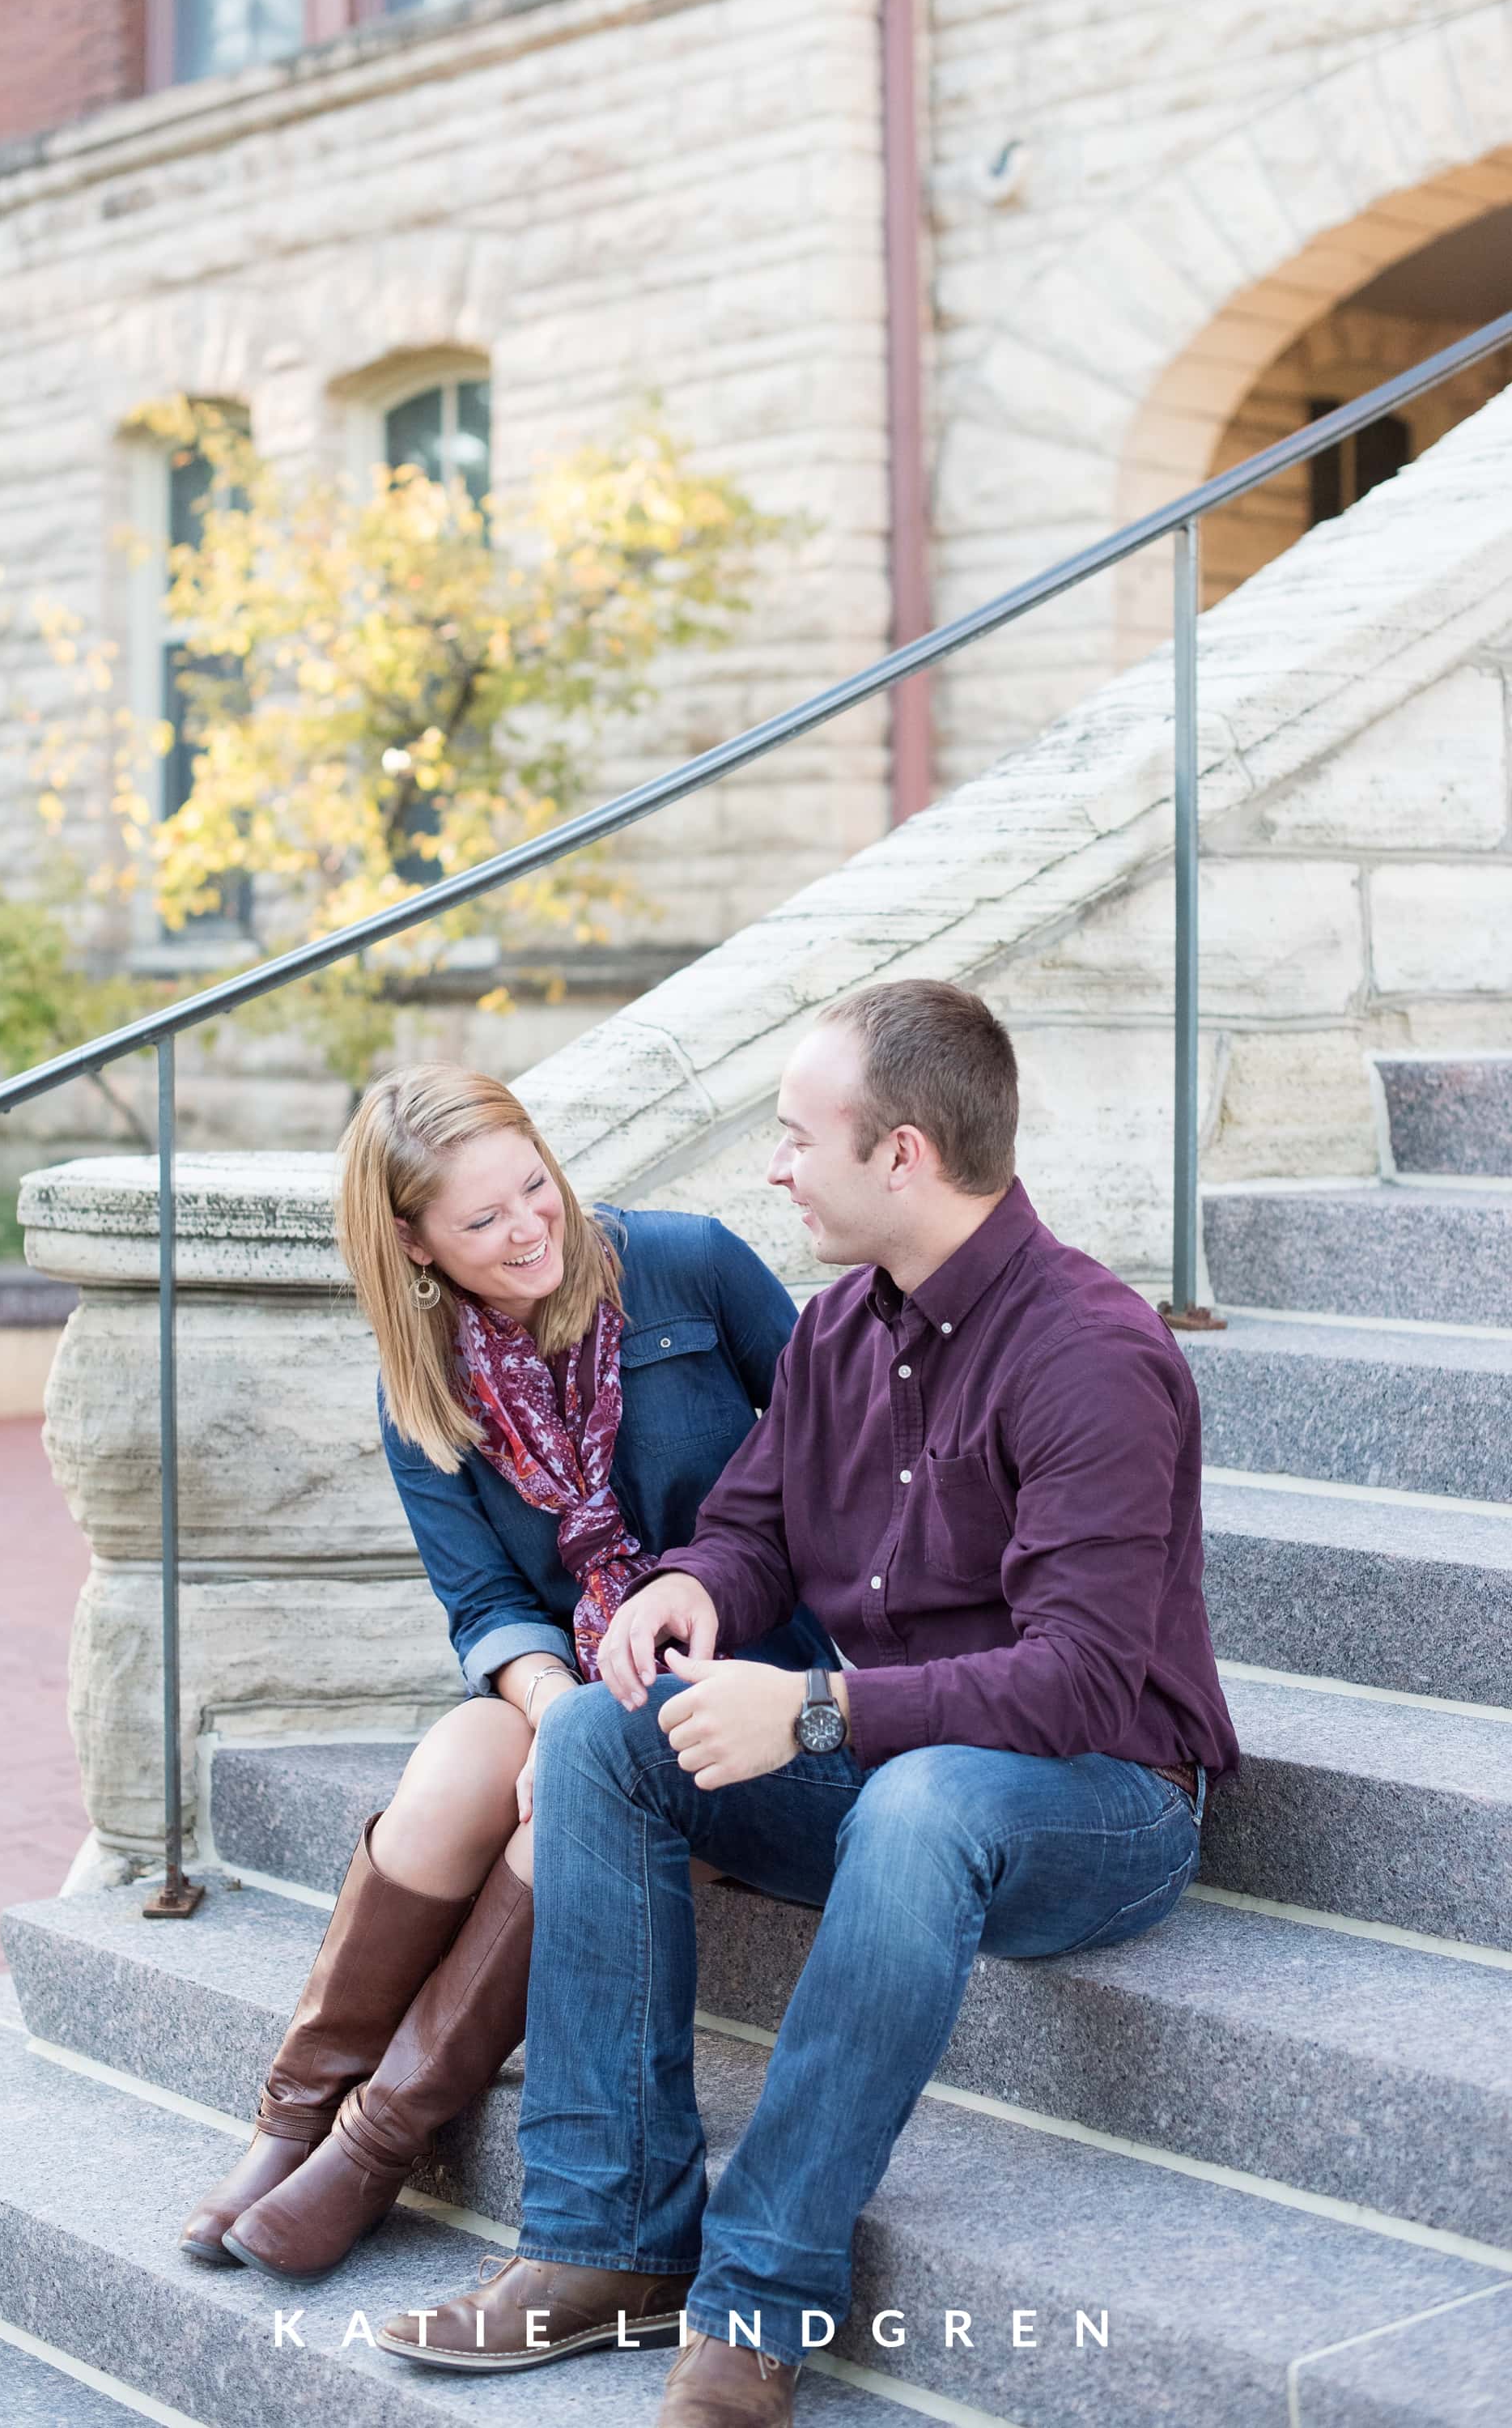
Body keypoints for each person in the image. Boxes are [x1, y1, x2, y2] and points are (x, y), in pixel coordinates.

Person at [383, 981, 1242, 2426]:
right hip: (898, 1772)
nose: (774, 1167)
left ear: (900, 1155)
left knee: (920, 1796)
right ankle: (604, 2241)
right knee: (598, 1732)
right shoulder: (844, 1327)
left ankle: (759, 2292)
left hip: (1101, 1794)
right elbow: (757, 1528)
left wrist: (820, 1709)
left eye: (796, 1136)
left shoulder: (1090, 1351)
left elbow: (1083, 1676)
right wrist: (696, 1590)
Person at [176, 1063, 836, 2285]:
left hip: (738, 1685)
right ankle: (290, 2119)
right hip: (572, 1685)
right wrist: (552, 1707)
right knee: (447, 1781)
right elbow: (483, 1606)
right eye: (483, 1220)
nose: (532, 1226)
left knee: (574, 1799)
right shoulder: (422, 1385)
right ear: (414, 1245)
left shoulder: (690, 1264)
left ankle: (374, 2147)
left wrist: (635, 1678)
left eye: (535, 1184)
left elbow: (831, 1460)